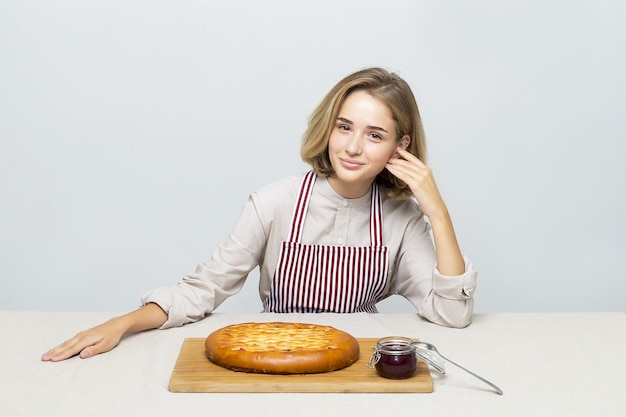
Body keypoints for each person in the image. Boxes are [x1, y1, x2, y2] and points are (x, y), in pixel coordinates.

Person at [42, 67, 477, 362]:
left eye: (374, 135)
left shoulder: (401, 220)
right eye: (344, 127)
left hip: (356, 364)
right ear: (329, 126)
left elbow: (452, 314)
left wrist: (435, 209)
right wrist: (122, 324)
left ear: (400, 146)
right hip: (275, 356)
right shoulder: (275, 202)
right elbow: (203, 290)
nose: (352, 147)